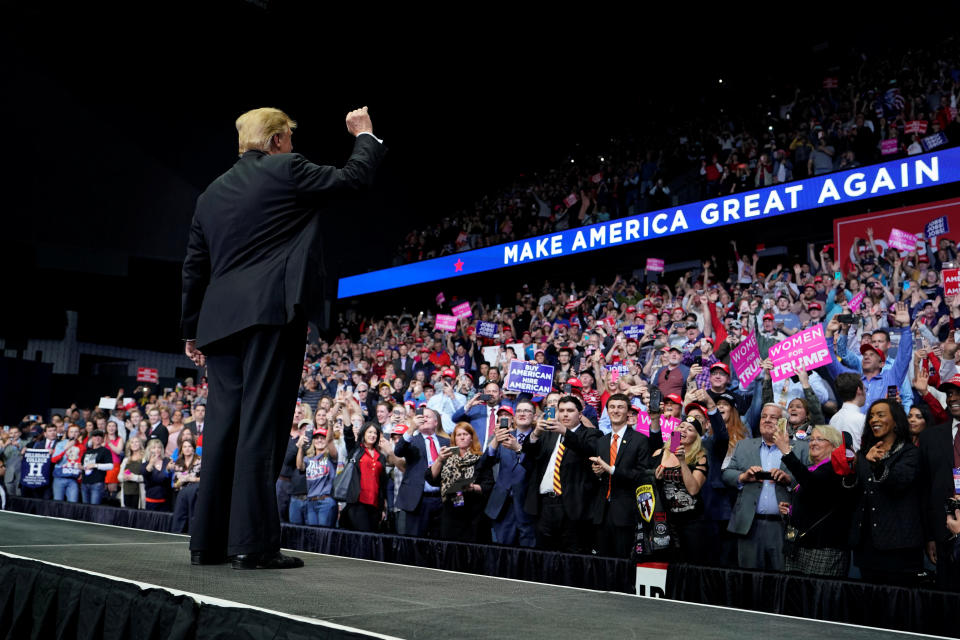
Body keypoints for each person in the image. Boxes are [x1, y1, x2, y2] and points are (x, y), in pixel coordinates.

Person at [181, 106, 385, 569]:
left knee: (222, 431)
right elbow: (353, 179)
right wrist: (365, 135)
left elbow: (194, 266)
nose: (292, 145)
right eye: (289, 137)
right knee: (262, 426)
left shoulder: (210, 194)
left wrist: (191, 330)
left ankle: (207, 543)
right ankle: (252, 545)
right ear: (276, 141)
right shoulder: (286, 168)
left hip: (218, 324)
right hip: (270, 314)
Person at [846, 399, 923, 585]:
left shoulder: (910, 453)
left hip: (899, 548)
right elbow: (856, 494)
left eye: (880, 415)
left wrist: (877, 466)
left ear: (896, 420)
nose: (873, 419)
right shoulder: (865, 454)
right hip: (868, 546)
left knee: (898, 606)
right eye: (871, 416)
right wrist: (848, 472)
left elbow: (898, 483)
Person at [723, 403, 808, 571]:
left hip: (783, 527)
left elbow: (810, 483)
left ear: (784, 422)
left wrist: (788, 480)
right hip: (749, 526)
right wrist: (743, 476)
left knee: (781, 581)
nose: (767, 420)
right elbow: (726, 474)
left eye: (773, 417)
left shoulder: (801, 448)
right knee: (748, 581)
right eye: (763, 416)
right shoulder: (743, 445)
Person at [523, 395, 602, 553]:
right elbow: (529, 453)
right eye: (562, 410)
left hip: (574, 506)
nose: (565, 414)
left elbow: (587, 450)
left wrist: (566, 432)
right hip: (545, 504)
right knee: (545, 554)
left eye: (570, 411)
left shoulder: (592, 434)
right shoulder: (548, 434)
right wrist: (536, 433)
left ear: (580, 414)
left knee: (573, 556)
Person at [775, 425, 853, 577]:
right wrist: (791, 510)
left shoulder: (837, 469)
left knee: (818, 597)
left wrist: (786, 451)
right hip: (801, 546)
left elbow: (813, 485)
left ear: (834, 446)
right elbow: (816, 501)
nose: (813, 443)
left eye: (820, 439)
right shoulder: (814, 469)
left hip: (823, 549)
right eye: (811, 439)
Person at [588, 393, 652, 558]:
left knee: (623, 563)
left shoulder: (640, 440)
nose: (616, 411)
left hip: (626, 512)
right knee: (601, 562)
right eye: (612, 407)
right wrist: (598, 473)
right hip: (601, 512)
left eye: (620, 407)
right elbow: (599, 475)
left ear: (628, 413)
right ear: (607, 411)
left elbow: (642, 474)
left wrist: (612, 470)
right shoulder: (602, 441)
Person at [918, 374, 960, 589]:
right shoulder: (930, 438)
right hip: (943, 534)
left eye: (958, 392)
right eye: (950, 393)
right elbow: (924, 490)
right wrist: (930, 536)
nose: (953, 398)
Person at [650, 415, 709, 563]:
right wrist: (655, 478)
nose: (684, 430)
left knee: (691, 564)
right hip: (664, 521)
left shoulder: (699, 457)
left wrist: (682, 461)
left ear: (696, 437)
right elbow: (647, 486)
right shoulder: (660, 453)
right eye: (681, 426)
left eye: (690, 429)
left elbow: (694, 489)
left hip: (691, 521)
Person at [426, 422, 493, 542]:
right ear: (454, 439)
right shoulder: (447, 459)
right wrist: (440, 460)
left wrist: (473, 487)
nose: (462, 437)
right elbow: (431, 478)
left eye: (465, 434)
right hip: (450, 512)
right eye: (458, 435)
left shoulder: (480, 459)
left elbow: (488, 485)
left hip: (473, 513)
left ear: (471, 438)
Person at [485, 402, 537, 547]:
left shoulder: (541, 438)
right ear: (513, 417)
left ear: (534, 416)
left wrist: (519, 449)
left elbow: (536, 468)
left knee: (527, 555)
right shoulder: (501, 437)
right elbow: (484, 464)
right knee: (501, 555)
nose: (522, 413)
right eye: (519, 411)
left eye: (526, 411)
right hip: (502, 505)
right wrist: (496, 440)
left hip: (528, 505)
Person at [394, 408, 450, 537]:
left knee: (440, 542)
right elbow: (398, 451)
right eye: (421, 417)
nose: (424, 419)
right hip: (418, 500)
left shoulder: (446, 442)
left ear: (436, 422)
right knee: (415, 542)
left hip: (442, 499)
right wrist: (411, 428)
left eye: (428, 417)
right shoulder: (411, 440)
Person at [341, 423, 387, 532]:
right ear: (363, 434)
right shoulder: (356, 450)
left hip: (375, 505)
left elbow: (382, 484)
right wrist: (344, 408)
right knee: (363, 536)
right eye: (370, 432)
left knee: (371, 539)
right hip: (358, 502)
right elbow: (348, 433)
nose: (372, 435)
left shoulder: (381, 456)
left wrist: (382, 508)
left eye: (375, 433)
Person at [295, 426, 339, 527]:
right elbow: (299, 466)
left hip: (326, 501)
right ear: (313, 441)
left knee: (324, 535)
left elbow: (330, 442)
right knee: (312, 536)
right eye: (317, 438)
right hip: (310, 502)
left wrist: (331, 422)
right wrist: (301, 447)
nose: (319, 440)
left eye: (322, 438)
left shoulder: (331, 457)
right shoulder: (308, 459)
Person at [171, 438, 201, 533]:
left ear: (193, 448)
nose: (187, 449)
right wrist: (180, 481)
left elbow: (206, 479)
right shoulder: (178, 462)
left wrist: (192, 479)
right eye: (184, 447)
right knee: (179, 518)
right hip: (181, 494)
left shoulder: (200, 461)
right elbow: (175, 484)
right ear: (181, 449)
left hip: (196, 495)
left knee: (193, 519)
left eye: (189, 446)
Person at [50, 424, 85, 503]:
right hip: (59, 477)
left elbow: (82, 463)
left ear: (79, 433)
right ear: (68, 433)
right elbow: (53, 460)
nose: (74, 434)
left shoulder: (82, 447)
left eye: (76, 432)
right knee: (57, 503)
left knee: (73, 503)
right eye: (71, 432)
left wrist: (82, 472)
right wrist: (66, 448)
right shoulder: (60, 444)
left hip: (73, 479)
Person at [80, 429, 114, 505]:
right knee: (85, 508)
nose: (97, 438)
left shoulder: (105, 451)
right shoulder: (87, 452)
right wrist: (80, 467)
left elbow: (111, 466)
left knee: (94, 508)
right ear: (92, 438)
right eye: (95, 436)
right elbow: (83, 466)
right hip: (84, 483)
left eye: (100, 436)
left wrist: (96, 465)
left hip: (97, 483)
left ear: (102, 439)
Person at [142, 438, 171, 512]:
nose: (157, 450)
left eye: (159, 447)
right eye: (154, 447)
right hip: (151, 500)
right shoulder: (145, 464)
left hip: (166, 499)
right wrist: (151, 463)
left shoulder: (167, 461)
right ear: (149, 449)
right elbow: (146, 474)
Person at [118, 437, 146, 509]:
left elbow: (147, 477)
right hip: (126, 491)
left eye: (136, 442)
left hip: (138, 492)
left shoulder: (144, 459)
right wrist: (124, 477)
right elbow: (119, 476)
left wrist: (134, 477)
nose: (134, 444)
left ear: (140, 444)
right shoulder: (126, 460)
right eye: (132, 442)